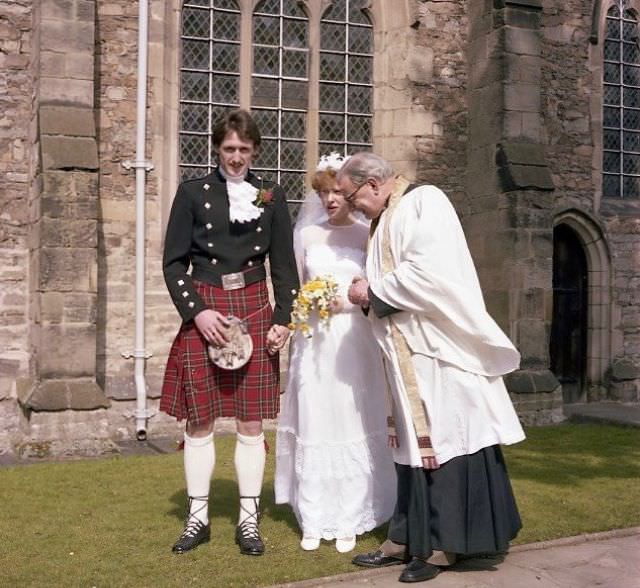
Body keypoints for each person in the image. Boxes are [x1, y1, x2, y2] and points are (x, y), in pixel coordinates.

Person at [337, 152, 526, 583]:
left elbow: (431, 274)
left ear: (371, 185)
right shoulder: (385, 217)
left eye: (350, 197)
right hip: (407, 355)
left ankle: (444, 546)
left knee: (443, 445)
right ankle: (405, 538)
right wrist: (370, 293)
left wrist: (371, 291)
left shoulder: (426, 202)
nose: (351, 207)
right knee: (410, 448)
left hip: (441, 354)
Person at [160, 109, 299, 556]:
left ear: (255, 150)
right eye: (228, 149)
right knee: (199, 419)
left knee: (250, 419)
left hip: (255, 306)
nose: (236, 157)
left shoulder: (271, 196)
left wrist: (283, 320)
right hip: (207, 306)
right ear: (217, 149)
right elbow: (172, 262)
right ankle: (197, 519)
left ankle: (248, 521)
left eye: (243, 149)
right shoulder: (192, 192)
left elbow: (284, 267)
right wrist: (196, 312)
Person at [275, 153, 396, 554]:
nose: (328, 199)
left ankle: (350, 516)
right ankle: (313, 515)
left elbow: (376, 287)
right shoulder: (307, 237)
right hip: (316, 342)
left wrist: (351, 300)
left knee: (352, 418)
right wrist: (307, 305)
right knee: (316, 417)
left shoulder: (366, 234)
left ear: (350, 192)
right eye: (321, 192)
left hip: (354, 341)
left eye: (334, 191)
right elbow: (295, 290)